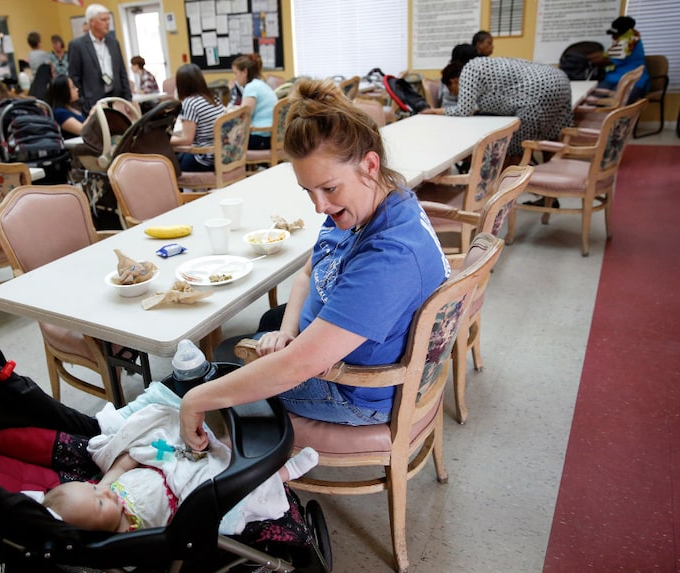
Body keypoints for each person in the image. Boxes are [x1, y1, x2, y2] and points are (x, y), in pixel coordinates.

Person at [178, 78, 450, 452]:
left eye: (328, 189)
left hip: (355, 392)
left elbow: (295, 367)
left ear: (369, 165)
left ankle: (238, 456)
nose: (319, 206)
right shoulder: (377, 197)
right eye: (308, 191)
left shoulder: (389, 257)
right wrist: (289, 331)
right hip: (333, 351)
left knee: (224, 359)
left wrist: (196, 400)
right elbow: (310, 270)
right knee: (268, 325)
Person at [42, 397, 318, 534]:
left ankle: (223, 446)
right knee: (238, 489)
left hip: (167, 465)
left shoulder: (108, 487)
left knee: (186, 439)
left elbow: (126, 464)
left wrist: (136, 457)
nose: (103, 494)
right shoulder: (130, 532)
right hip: (190, 493)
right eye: (99, 504)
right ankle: (283, 473)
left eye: (92, 490)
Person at [423, 57, 573, 163]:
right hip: (560, 81)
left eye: (452, 90)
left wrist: (437, 111)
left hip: (538, 91)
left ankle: (504, 193)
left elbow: (464, 110)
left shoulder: (468, 71)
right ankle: (549, 195)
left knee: (512, 147)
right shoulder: (484, 67)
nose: (455, 94)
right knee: (550, 136)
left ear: (453, 81)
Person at [68, 3, 133, 114]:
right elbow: (74, 77)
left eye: (108, 19)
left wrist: (128, 99)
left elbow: (122, 72)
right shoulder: (77, 45)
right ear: (92, 22)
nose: (108, 23)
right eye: (103, 20)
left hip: (116, 100)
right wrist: (83, 102)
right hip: (92, 103)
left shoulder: (113, 43)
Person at [169, 64, 225, 172]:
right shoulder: (213, 98)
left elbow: (187, 140)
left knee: (168, 163)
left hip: (204, 159)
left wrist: (166, 141)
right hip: (221, 155)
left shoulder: (190, 103)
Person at [590, 16, 650, 103]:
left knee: (614, 104)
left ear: (623, 33)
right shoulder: (625, 40)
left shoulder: (628, 44)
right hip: (611, 80)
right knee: (591, 100)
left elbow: (604, 60)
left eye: (615, 34)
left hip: (632, 82)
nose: (612, 37)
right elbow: (605, 55)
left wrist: (583, 59)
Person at [231, 53, 277, 150]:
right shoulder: (261, 84)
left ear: (245, 72)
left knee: (228, 144)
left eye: (236, 73)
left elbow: (244, 115)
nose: (234, 78)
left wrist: (230, 111)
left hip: (261, 137)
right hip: (271, 136)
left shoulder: (251, 87)